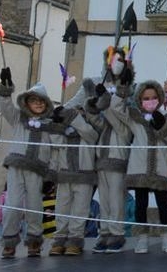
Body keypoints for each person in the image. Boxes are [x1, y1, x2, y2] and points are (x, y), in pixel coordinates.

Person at [104, 79, 167, 254]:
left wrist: (163, 126)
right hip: (139, 169)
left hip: (159, 169)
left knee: (164, 205)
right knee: (141, 205)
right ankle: (142, 239)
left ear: (160, 99)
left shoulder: (165, 116)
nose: (150, 100)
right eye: (146, 98)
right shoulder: (134, 118)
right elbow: (115, 108)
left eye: (153, 97)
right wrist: (123, 89)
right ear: (139, 100)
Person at [74, 47, 134, 254]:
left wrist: (107, 103)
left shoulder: (130, 87)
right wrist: (92, 108)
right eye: (112, 59)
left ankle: (117, 233)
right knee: (105, 196)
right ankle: (105, 232)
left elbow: (125, 120)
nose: (114, 63)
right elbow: (97, 120)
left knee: (117, 196)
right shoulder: (99, 84)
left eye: (119, 60)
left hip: (120, 143)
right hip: (102, 148)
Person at [0, 69, 56, 258]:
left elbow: (54, 153)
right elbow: (6, 105)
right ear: (26, 103)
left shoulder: (49, 126)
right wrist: (5, 88)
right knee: (12, 205)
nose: (37, 103)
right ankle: (9, 242)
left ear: (46, 104)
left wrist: (51, 176)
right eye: (33, 100)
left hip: (37, 170)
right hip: (16, 167)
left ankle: (34, 241)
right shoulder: (18, 119)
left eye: (41, 101)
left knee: (34, 207)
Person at [48, 100, 99, 256]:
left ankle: (75, 240)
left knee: (80, 209)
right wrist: (58, 125)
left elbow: (91, 136)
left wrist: (75, 118)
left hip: (84, 175)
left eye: (79, 111)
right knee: (62, 207)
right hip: (65, 175)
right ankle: (60, 239)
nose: (76, 113)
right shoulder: (65, 131)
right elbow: (55, 145)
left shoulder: (88, 130)